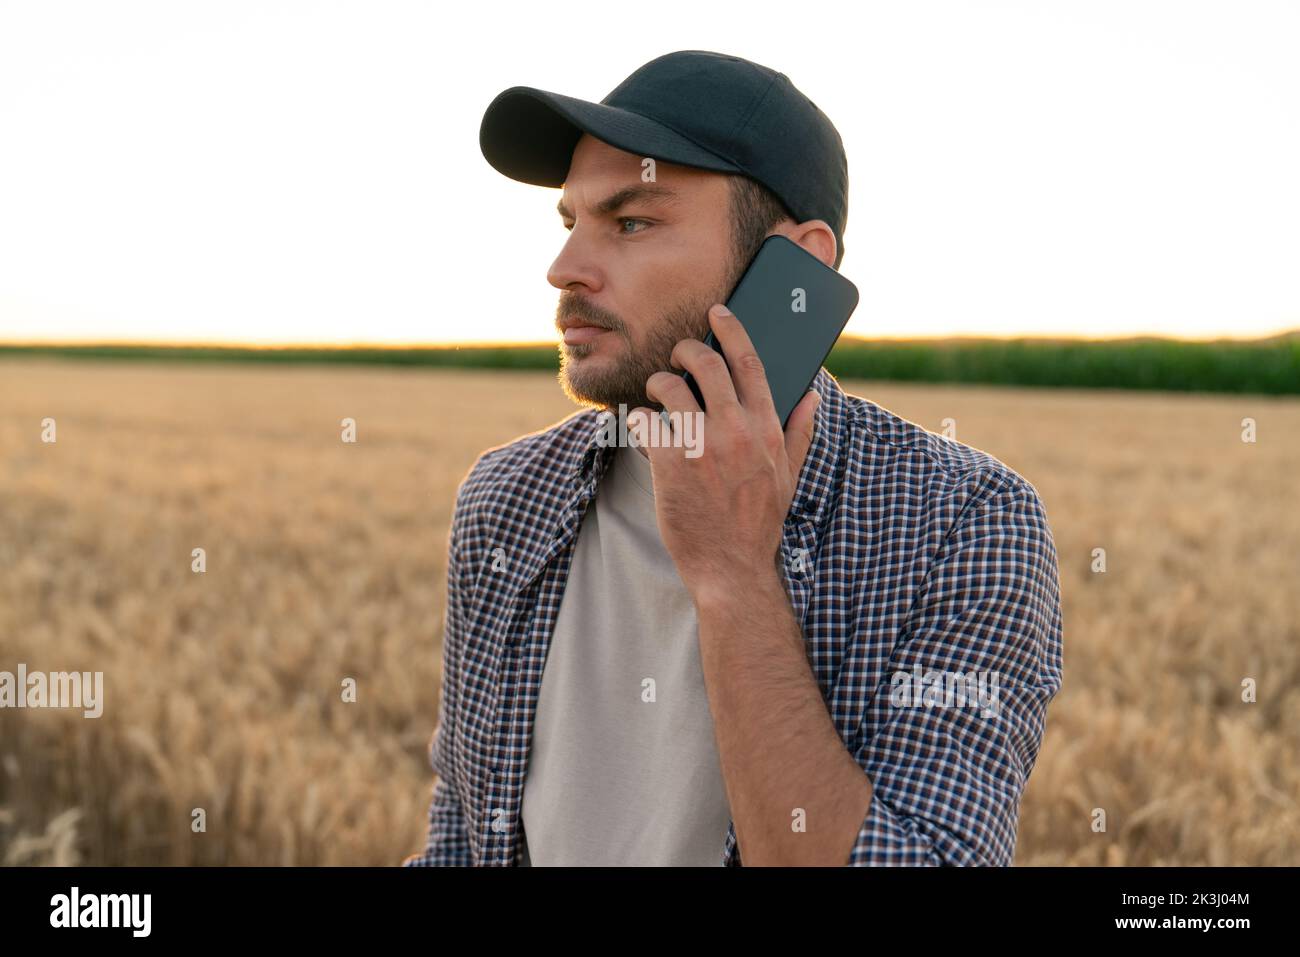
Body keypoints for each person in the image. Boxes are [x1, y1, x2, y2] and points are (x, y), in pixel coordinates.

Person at [402, 50, 1063, 867]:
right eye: (571, 221)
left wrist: (734, 574)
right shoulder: (506, 497)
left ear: (796, 271)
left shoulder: (962, 522)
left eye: (633, 220)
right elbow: (462, 837)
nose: (564, 268)